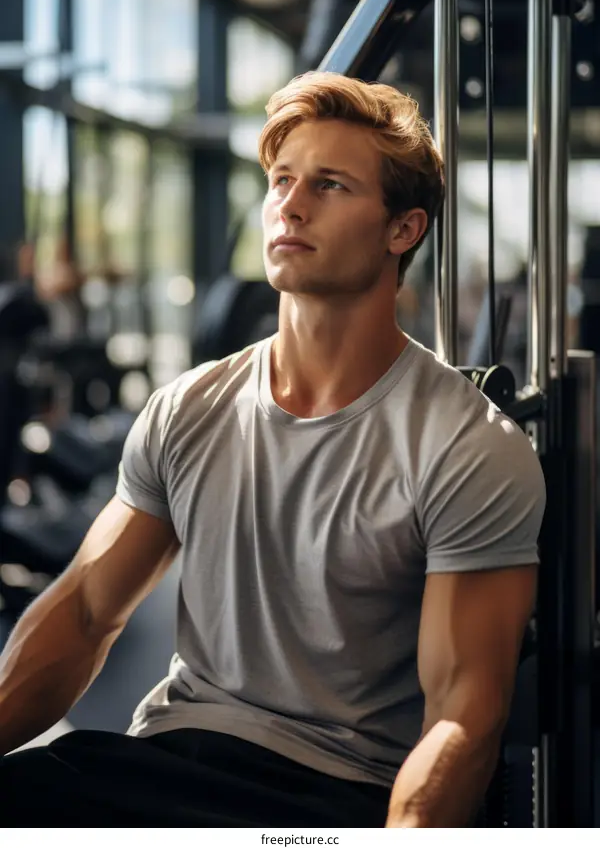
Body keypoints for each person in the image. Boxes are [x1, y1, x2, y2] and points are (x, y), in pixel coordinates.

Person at [0, 72, 545, 827]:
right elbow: (87, 611)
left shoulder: (469, 447)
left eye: (329, 185)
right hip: (169, 752)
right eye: (282, 180)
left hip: (334, 792)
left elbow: (464, 715)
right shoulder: (189, 407)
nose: (290, 203)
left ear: (403, 229)